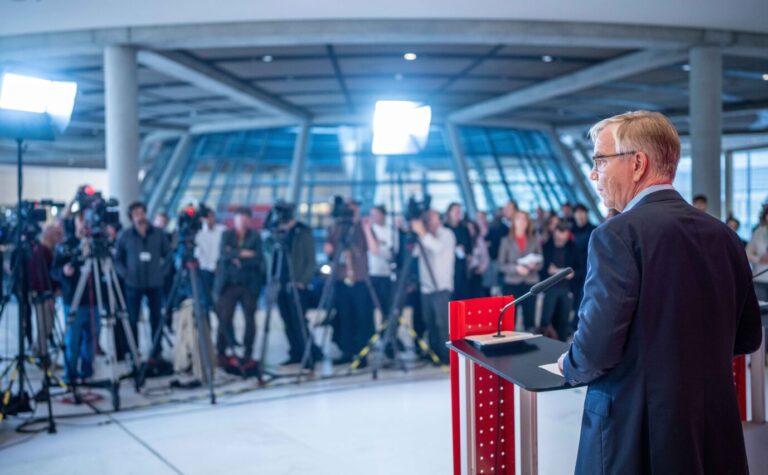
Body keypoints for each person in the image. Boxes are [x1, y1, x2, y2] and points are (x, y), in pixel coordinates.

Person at [557, 111, 762, 474]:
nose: (593, 173)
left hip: (637, 434)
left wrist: (569, 365)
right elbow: (746, 336)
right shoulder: (723, 235)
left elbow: (595, 350)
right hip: (713, 429)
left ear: (637, 163)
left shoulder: (616, 235)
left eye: (600, 160)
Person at [115, 201, 171, 361]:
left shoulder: (158, 234)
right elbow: (117, 259)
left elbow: (168, 255)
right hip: (133, 284)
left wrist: (163, 273)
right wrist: (125, 274)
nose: (140, 216)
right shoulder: (125, 235)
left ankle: (156, 351)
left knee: (156, 318)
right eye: (136, 214)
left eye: (142, 212)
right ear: (132, 217)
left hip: (155, 283)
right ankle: (133, 350)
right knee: (132, 319)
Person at [214, 206, 265, 369]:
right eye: (240, 218)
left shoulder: (256, 236)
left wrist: (234, 254)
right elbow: (224, 254)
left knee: (250, 319)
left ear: (250, 220)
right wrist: (243, 254)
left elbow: (258, 259)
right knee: (224, 318)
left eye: (246, 218)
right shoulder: (226, 235)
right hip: (229, 284)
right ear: (234, 219)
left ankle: (248, 353)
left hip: (249, 285)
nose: (242, 221)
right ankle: (221, 352)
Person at [325, 199, 375, 365]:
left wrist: (367, 228)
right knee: (344, 317)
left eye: (353, 209)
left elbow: (372, 248)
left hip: (359, 278)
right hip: (341, 278)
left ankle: (362, 353)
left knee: (362, 318)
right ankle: (346, 351)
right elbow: (330, 250)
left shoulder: (362, 227)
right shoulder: (336, 228)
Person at [50, 213, 99, 384]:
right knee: (73, 340)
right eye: (81, 222)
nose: (84, 226)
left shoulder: (95, 244)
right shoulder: (64, 247)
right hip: (73, 300)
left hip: (93, 300)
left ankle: (87, 371)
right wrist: (64, 271)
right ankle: (70, 374)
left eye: (87, 223)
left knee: (91, 339)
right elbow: (54, 271)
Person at [272, 204, 321, 368]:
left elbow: (311, 260)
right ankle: (295, 352)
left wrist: (303, 281)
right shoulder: (279, 233)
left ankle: (310, 353)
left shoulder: (303, 232)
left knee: (299, 320)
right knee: (287, 320)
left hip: (297, 283)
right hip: (282, 282)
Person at [411, 209, 455, 365]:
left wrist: (422, 232)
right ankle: (434, 353)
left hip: (441, 286)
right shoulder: (424, 236)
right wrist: (419, 233)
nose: (429, 221)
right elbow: (415, 253)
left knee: (442, 323)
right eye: (427, 219)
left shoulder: (447, 234)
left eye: (432, 218)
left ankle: (446, 356)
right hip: (426, 286)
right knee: (429, 321)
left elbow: (436, 248)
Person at [498, 211, 542, 330]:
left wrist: (534, 266)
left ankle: (530, 345)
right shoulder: (505, 241)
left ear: (528, 223)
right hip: (512, 283)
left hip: (530, 284)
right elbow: (501, 265)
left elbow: (541, 262)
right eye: (519, 219)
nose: (522, 222)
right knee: (510, 321)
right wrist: (516, 268)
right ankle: (510, 346)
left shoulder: (534, 241)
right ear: (514, 222)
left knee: (530, 320)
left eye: (524, 219)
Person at [540, 223, 576, 340]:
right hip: (550, 288)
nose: (561, 237)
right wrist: (549, 271)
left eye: (564, 234)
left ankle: (562, 346)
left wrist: (572, 273)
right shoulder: (547, 246)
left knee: (564, 320)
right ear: (554, 233)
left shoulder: (572, 247)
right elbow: (542, 269)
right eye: (559, 234)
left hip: (566, 288)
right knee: (546, 319)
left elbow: (579, 268)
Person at [366, 205, 397, 319]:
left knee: (387, 307)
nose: (373, 217)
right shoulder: (369, 230)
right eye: (371, 215)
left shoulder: (391, 231)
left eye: (376, 214)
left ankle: (388, 333)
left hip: (386, 274)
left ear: (383, 215)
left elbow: (383, 252)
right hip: (371, 273)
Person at [570, 203, 596, 326]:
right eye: (577, 213)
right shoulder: (570, 230)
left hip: (588, 270)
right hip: (573, 271)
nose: (579, 215)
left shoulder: (594, 229)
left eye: (582, 212)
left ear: (586, 214)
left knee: (583, 300)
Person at [194, 208, 226, 307]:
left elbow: (226, 250)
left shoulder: (223, 230)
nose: (208, 220)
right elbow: (198, 255)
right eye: (205, 218)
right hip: (205, 270)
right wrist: (212, 266)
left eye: (210, 217)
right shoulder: (198, 234)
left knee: (222, 299)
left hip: (221, 269)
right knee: (205, 299)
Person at [444, 202, 472, 300]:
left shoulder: (464, 229)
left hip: (461, 269)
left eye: (459, 211)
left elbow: (469, 248)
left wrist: (465, 251)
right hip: (447, 270)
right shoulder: (444, 229)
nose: (458, 213)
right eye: (455, 211)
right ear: (449, 212)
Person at [746, 204, 768, 300]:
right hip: (759, 277)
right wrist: (759, 259)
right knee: (761, 311)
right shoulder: (758, 232)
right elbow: (747, 253)